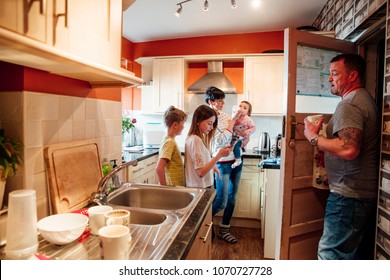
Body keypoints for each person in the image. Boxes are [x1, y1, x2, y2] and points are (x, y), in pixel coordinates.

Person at [303, 53, 380, 260]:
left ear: (353, 76)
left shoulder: (350, 104)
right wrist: (327, 150)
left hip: (349, 196)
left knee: (330, 255)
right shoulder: (363, 99)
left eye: (334, 74)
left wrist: (312, 137)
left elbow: (349, 149)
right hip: (355, 195)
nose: (329, 79)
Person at [205, 86, 242, 243]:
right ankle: (202, 223)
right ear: (211, 102)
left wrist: (240, 133)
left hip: (236, 161)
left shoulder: (227, 116)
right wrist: (232, 123)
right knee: (221, 201)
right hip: (221, 164)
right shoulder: (209, 119)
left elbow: (233, 135)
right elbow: (219, 141)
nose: (222, 103)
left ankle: (224, 229)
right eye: (219, 101)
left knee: (232, 199)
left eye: (222, 100)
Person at [185, 105, 232, 189]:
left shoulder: (196, 138)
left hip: (200, 186)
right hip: (199, 188)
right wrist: (219, 155)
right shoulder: (195, 140)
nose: (212, 127)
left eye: (213, 124)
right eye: (209, 123)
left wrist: (213, 165)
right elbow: (200, 172)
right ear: (198, 121)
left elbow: (201, 162)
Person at [156, 106, 187, 186]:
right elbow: (159, 168)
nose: (183, 126)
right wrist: (165, 189)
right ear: (175, 125)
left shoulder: (168, 139)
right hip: (173, 188)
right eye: (183, 123)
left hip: (175, 187)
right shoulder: (169, 142)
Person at [231, 101, 256, 168]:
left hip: (242, 137)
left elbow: (253, 128)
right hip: (235, 136)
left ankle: (238, 159)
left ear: (248, 112)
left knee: (236, 145)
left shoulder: (248, 119)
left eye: (244, 108)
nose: (241, 108)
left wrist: (246, 132)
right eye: (240, 106)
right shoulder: (235, 117)